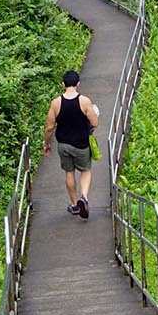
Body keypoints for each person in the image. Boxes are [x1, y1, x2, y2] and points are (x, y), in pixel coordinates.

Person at [45, 70, 99, 218]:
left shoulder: (55, 103)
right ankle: (84, 197)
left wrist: (46, 144)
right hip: (81, 144)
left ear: (63, 84)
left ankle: (75, 205)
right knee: (85, 170)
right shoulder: (85, 101)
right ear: (78, 84)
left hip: (63, 144)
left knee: (69, 172)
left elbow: (49, 128)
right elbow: (94, 123)